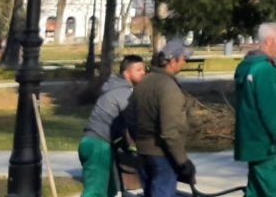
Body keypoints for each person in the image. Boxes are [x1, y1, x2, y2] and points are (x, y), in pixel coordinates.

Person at [234, 23, 276, 197]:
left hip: (253, 144)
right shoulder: (265, 70)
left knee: (256, 191)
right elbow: (271, 111)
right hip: (269, 148)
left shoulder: (245, 67)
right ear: (268, 41)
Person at [129, 40, 196, 197]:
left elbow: (130, 118)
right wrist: (183, 162)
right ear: (173, 61)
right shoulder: (169, 87)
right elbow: (169, 132)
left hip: (143, 152)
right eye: (184, 58)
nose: (185, 62)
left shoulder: (144, 82)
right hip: (162, 155)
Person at [79, 55, 146, 197]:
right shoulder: (124, 93)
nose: (143, 73)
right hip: (98, 146)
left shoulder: (112, 86)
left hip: (93, 143)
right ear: (127, 73)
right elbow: (133, 122)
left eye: (143, 69)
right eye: (138, 70)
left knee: (110, 191)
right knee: (94, 193)